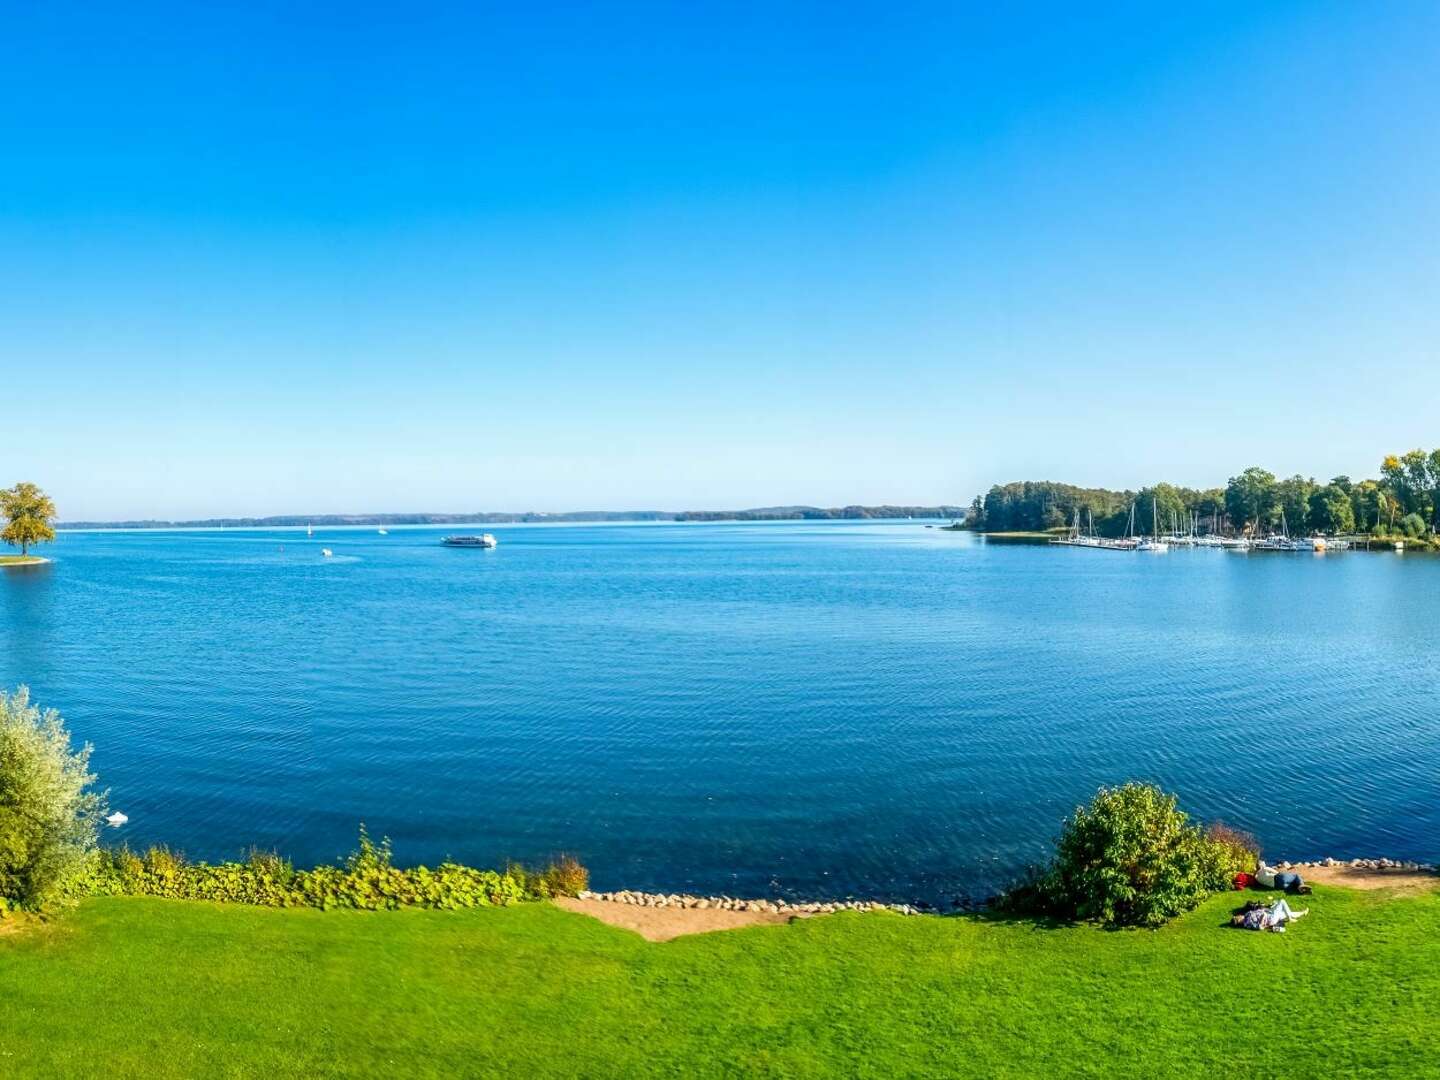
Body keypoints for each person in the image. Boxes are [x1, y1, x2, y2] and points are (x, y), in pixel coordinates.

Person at [1231, 897, 1309, 932]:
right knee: (1282, 901)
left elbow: (1257, 912)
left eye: (1237, 916)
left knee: (1287, 912)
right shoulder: (1248, 924)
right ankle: (1290, 919)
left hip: (1269, 913)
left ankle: (1303, 913)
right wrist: (1263, 916)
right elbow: (1260, 927)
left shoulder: (1246, 914)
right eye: (1238, 917)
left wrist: (1263, 909)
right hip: (1270, 919)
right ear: (1239, 921)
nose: (1239, 915)